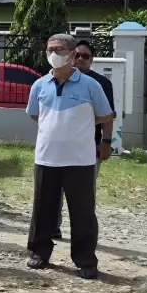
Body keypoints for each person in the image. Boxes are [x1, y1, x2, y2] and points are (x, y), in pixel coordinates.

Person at [25, 33, 114, 280]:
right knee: (43, 209)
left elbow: (105, 115)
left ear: (73, 54)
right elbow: (35, 114)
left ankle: (85, 259)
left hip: (80, 160)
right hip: (46, 157)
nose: (54, 53)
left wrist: (96, 136)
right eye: (50, 49)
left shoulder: (91, 85)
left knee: (83, 211)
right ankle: (39, 252)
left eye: (60, 49)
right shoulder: (39, 85)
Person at [53, 39, 116, 238]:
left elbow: (107, 115)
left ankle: (82, 233)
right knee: (54, 189)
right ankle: (53, 226)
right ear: (71, 55)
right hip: (58, 146)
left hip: (88, 147)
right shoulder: (56, 78)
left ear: (92, 59)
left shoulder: (101, 83)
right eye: (77, 55)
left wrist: (106, 142)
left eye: (85, 56)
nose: (80, 59)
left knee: (84, 193)